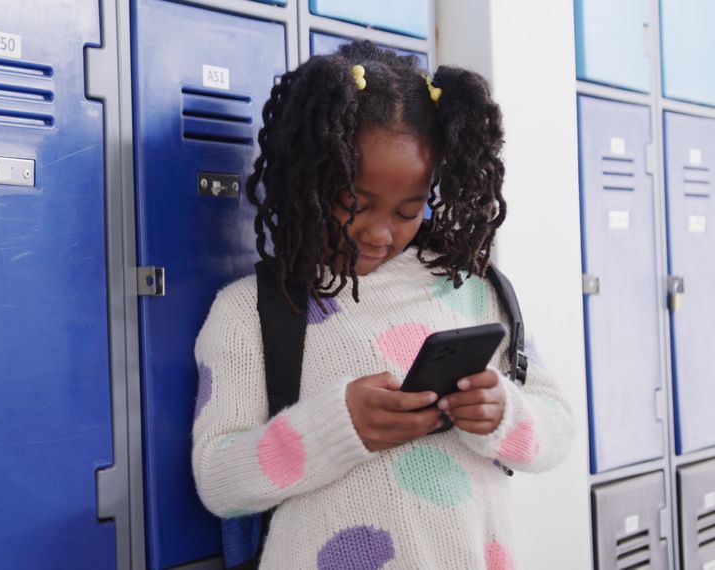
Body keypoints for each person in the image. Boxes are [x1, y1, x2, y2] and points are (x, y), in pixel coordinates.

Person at [191, 40, 575, 570]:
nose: (379, 233)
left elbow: (557, 430)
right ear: (309, 180)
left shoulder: (472, 286)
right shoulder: (248, 312)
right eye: (355, 204)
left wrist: (503, 414)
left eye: (408, 210)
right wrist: (338, 425)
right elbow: (217, 481)